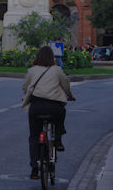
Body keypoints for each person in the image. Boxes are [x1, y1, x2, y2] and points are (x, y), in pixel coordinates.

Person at [22, 45, 75, 180]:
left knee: (34, 136)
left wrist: (25, 96)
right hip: (54, 107)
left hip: (36, 107)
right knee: (61, 113)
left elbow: (25, 87)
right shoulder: (57, 70)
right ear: (52, 57)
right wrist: (69, 94)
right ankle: (57, 141)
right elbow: (65, 84)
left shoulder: (32, 70)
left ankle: (34, 168)